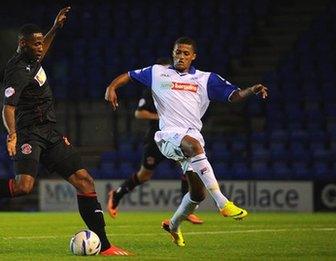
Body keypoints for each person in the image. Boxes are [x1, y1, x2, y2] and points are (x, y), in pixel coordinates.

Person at [0, 7, 131, 256]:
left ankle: (106, 246)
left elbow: (43, 51)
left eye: (42, 42)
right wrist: (12, 135)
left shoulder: (32, 58)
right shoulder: (16, 70)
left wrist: (54, 28)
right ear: (22, 44)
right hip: (29, 134)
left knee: (85, 181)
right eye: (36, 44)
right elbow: (8, 107)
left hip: (50, 132)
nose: (41, 47)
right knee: (24, 187)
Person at [105, 37, 268, 247]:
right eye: (177, 52)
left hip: (191, 136)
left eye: (185, 53)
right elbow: (129, 75)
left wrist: (252, 89)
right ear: (173, 53)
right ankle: (222, 202)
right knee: (193, 147)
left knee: (197, 194)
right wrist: (111, 87)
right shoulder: (158, 72)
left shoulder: (205, 79)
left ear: (193, 56)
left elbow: (234, 95)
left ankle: (173, 225)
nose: (180, 56)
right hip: (168, 136)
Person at [107, 57, 203, 225]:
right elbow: (139, 113)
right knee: (144, 175)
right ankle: (117, 194)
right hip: (156, 138)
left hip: (177, 136)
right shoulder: (154, 89)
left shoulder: (180, 89)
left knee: (187, 166)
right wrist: (161, 117)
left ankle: (186, 209)